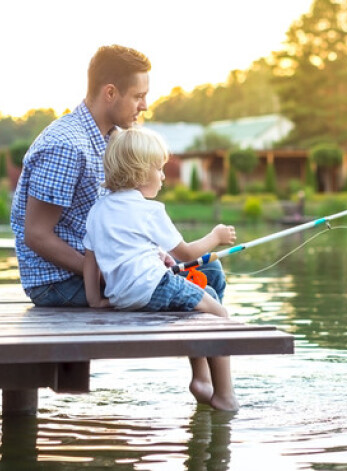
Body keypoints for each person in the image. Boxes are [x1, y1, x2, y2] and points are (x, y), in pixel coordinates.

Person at [10, 44, 227, 306]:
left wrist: (156, 254)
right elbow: (36, 235)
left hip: (110, 266)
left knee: (211, 272)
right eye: (139, 96)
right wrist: (109, 276)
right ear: (110, 93)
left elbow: (120, 218)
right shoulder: (66, 146)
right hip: (59, 281)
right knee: (208, 299)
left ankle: (195, 346)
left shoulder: (111, 140)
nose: (145, 106)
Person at [83, 127, 239, 411]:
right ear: (140, 173)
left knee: (200, 295)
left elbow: (90, 260)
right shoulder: (150, 210)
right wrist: (216, 236)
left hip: (123, 298)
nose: (164, 176)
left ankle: (202, 380)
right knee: (218, 311)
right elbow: (188, 253)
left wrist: (96, 300)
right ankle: (225, 395)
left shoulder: (98, 211)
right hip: (154, 287)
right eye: (159, 169)